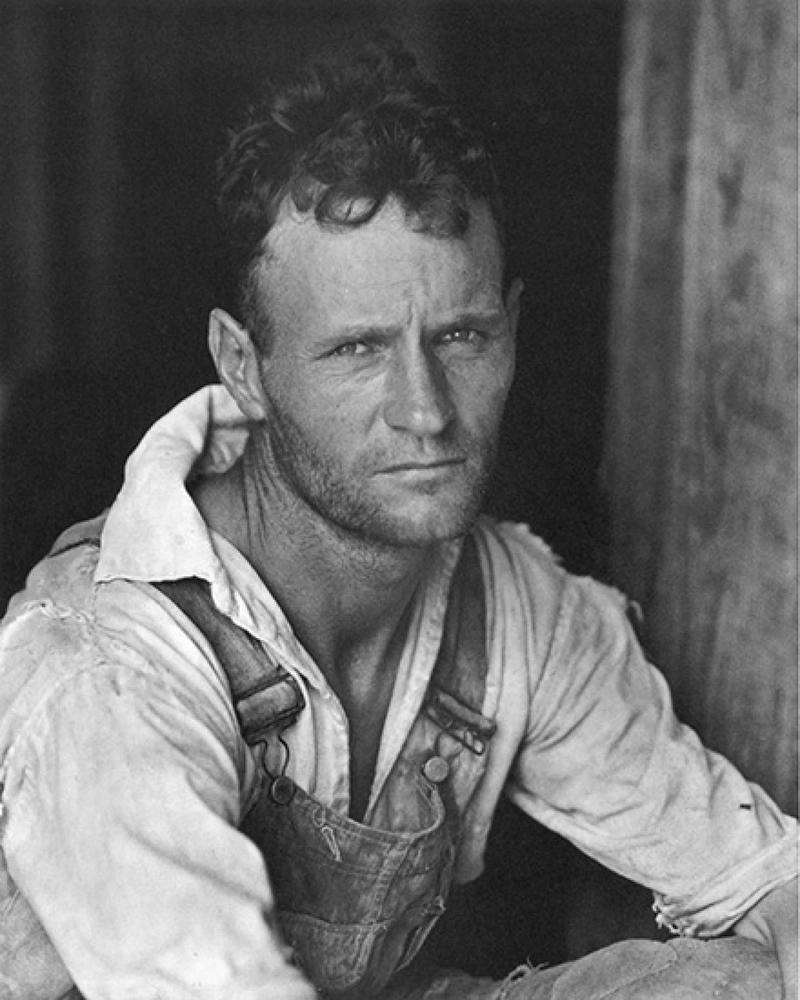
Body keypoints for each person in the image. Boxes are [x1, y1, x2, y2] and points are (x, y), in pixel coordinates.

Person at [0, 36, 795, 1000]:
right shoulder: (106, 669)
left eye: (461, 336)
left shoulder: (517, 613)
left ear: (511, 329)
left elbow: (765, 881)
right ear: (242, 363)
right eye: (357, 350)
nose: (426, 410)